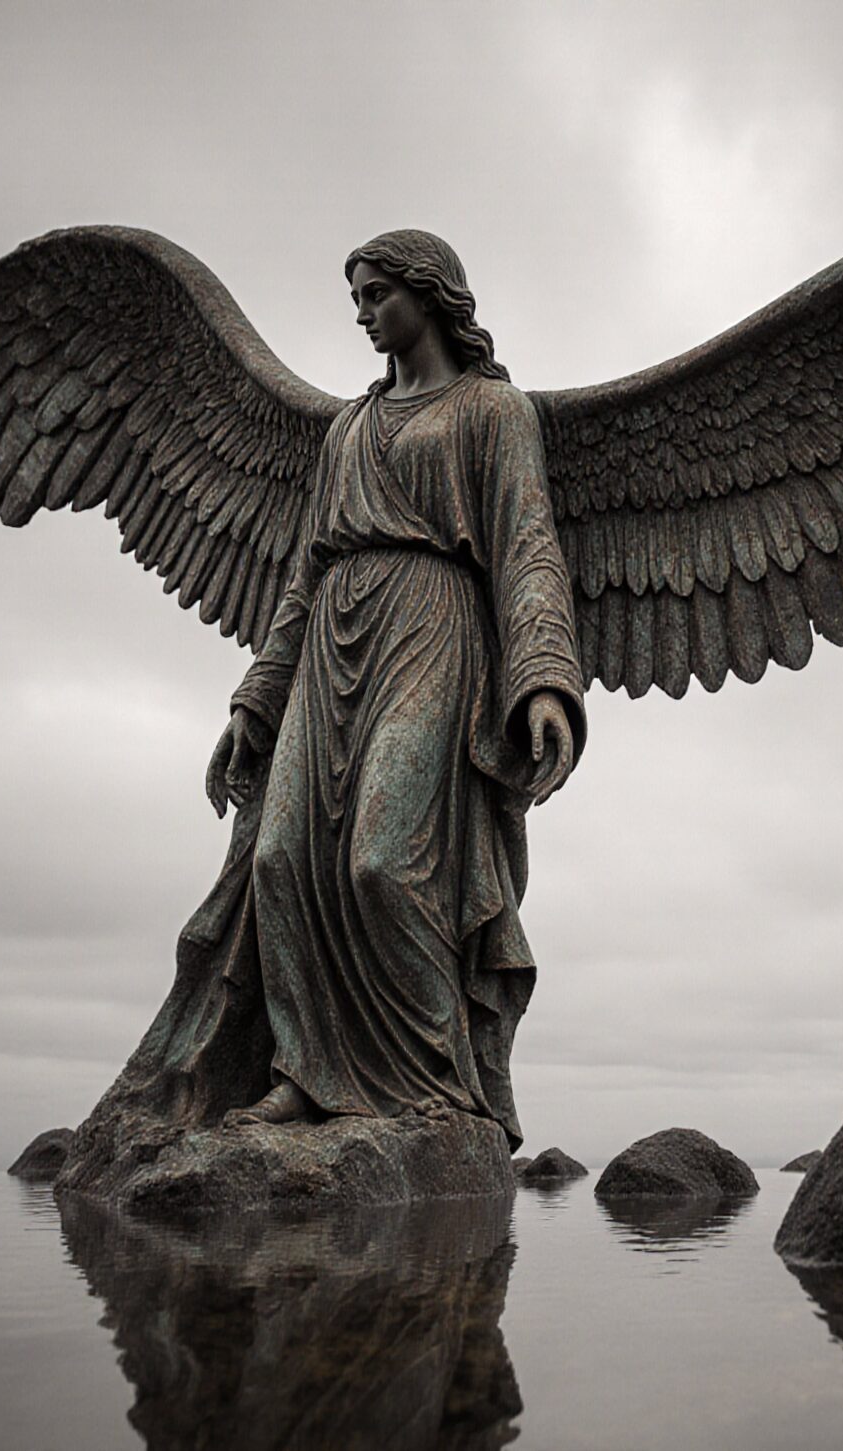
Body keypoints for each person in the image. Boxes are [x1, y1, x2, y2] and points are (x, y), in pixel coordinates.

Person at [198, 230, 584, 1142]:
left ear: (429, 293)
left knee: (383, 861)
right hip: (332, 640)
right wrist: (255, 700)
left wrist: (543, 681)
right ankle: (304, 1072)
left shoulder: (495, 412)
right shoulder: (347, 430)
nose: (365, 314)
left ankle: (437, 1092)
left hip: (432, 629)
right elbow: (300, 574)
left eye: (377, 295)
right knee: (280, 859)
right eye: (358, 300)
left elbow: (528, 548)